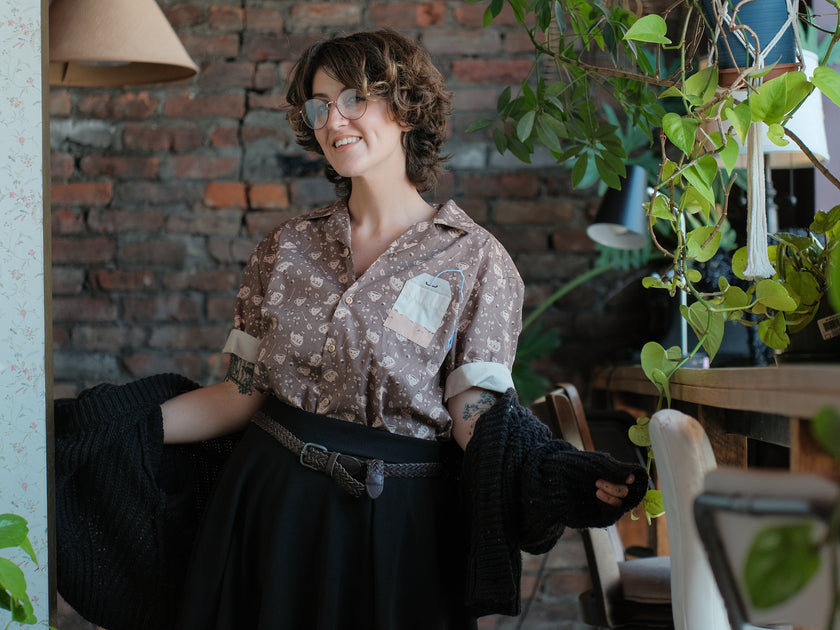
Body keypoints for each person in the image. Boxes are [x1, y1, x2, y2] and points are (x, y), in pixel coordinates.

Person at [151, 29, 645, 630]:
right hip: (267, 511)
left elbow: (477, 418)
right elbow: (238, 392)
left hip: (400, 532)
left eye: (354, 98)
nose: (334, 120)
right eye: (319, 106)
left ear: (406, 107)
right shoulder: (284, 250)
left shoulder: (476, 262)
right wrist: (118, 426)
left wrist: (554, 468)